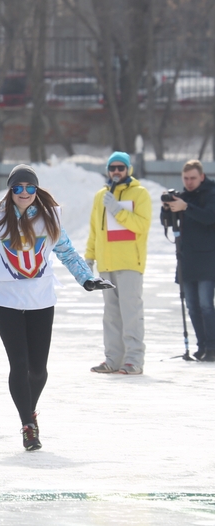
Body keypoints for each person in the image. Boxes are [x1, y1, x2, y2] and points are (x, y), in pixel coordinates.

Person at [0, 165, 113, 451]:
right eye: (18, 187)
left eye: (30, 187)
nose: (24, 192)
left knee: (38, 370)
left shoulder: (49, 218)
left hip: (40, 299)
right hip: (6, 300)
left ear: (36, 190)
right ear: (10, 190)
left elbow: (67, 252)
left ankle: (29, 411)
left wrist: (86, 279)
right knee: (19, 364)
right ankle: (28, 425)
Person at [85, 151, 152, 375]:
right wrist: (89, 257)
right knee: (111, 316)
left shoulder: (140, 193)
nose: (116, 171)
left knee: (131, 313)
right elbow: (95, 231)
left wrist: (117, 210)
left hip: (129, 263)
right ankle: (113, 359)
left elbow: (141, 225)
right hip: (106, 264)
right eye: (112, 168)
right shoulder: (101, 196)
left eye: (120, 168)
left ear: (128, 170)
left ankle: (133, 360)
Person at [161, 160, 215, 361]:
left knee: (206, 305)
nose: (189, 182)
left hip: (208, 258)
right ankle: (201, 345)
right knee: (192, 305)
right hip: (187, 258)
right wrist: (166, 209)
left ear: (202, 177)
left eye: (193, 178)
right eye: (186, 178)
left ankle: (212, 346)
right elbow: (167, 223)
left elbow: (209, 217)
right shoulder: (182, 197)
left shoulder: (211, 194)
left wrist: (186, 207)